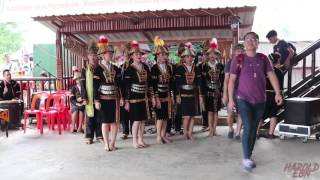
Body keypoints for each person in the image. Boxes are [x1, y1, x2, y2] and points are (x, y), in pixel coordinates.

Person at [228, 32, 283, 172]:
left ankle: (249, 155)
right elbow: (232, 80)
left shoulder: (264, 59)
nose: (251, 41)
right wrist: (230, 100)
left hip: (260, 100)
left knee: (253, 128)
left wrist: (277, 93)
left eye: (254, 39)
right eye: (248, 39)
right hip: (243, 98)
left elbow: (271, 76)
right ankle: (246, 158)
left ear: (258, 43)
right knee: (247, 125)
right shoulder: (239, 59)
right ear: (244, 43)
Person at [124, 40, 152, 149]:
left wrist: (151, 97)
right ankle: (134, 141)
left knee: (143, 120)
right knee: (136, 121)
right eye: (136, 54)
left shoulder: (145, 67)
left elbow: (149, 83)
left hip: (144, 98)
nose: (138, 55)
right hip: (133, 98)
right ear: (132, 56)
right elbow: (126, 86)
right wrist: (126, 101)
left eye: (140, 54)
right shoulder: (129, 69)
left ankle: (141, 139)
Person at [96, 36, 122, 151]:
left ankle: (113, 143)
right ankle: (106, 144)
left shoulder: (115, 68)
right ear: (102, 54)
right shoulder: (97, 69)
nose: (110, 55)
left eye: (111, 54)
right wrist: (96, 100)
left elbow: (119, 84)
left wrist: (121, 98)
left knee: (115, 122)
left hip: (114, 99)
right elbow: (95, 86)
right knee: (105, 123)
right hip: (103, 99)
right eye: (108, 53)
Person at [175, 42, 203, 140]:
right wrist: (177, 95)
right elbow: (177, 84)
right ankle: (185, 133)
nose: (189, 59)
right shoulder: (179, 69)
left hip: (194, 94)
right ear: (184, 58)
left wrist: (200, 95)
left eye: (191, 57)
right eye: (187, 57)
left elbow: (199, 82)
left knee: (192, 115)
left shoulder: (197, 68)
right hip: (183, 95)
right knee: (186, 116)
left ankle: (190, 133)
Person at [151, 36, 174, 144]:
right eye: (162, 55)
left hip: (167, 94)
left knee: (166, 117)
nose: (164, 56)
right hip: (159, 95)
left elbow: (171, 83)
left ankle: (163, 135)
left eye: (165, 54)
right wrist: (156, 98)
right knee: (160, 117)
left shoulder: (169, 67)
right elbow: (153, 84)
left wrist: (172, 95)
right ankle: (158, 136)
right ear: (157, 56)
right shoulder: (154, 68)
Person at [200, 38, 224, 137]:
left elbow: (222, 80)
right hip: (208, 92)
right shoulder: (204, 67)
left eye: (214, 54)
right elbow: (202, 81)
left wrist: (222, 92)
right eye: (210, 54)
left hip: (218, 91)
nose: (212, 56)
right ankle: (210, 130)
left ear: (217, 55)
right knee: (210, 112)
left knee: (216, 112)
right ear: (208, 55)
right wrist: (202, 94)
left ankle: (215, 130)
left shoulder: (221, 66)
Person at [257, 53, 284, 139]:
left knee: (261, 115)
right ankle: (270, 133)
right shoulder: (280, 72)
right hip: (275, 95)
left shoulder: (264, 70)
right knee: (273, 114)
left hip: (264, 94)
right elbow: (281, 86)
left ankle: (255, 133)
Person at [80, 42, 103, 145]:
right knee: (90, 117)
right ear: (88, 56)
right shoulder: (84, 70)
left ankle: (99, 135)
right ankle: (89, 136)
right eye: (91, 55)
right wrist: (84, 98)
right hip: (89, 97)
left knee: (99, 117)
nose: (93, 57)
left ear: (97, 56)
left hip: (99, 96)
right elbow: (83, 84)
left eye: (95, 55)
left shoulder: (101, 69)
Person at [222, 43, 245, 139]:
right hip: (231, 90)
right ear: (234, 53)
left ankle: (238, 132)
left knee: (241, 112)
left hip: (243, 91)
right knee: (230, 112)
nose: (240, 53)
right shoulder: (230, 63)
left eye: (241, 51)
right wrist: (225, 94)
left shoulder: (246, 62)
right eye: (238, 51)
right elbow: (226, 80)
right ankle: (231, 128)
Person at [119, 43, 133, 140]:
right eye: (124, 53)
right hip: (124, 91)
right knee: (124, 113)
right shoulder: (121, 67)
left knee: (133, 112)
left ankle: (133, 130)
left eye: (128, 53)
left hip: (133, 91)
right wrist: (121, 96)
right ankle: (125, 131)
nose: (126, 55)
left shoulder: (134, 66)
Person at [70, 69, 85, 133]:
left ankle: (80, 127)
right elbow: (71, 99)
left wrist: (83, 101)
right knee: (75, 110)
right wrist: (76, 103)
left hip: (82, 103)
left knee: (81, 109)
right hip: (75, 103)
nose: (78, 80)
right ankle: (73, 126)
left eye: (79, 79)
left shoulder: (84, 87)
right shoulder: (74, 88)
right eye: (77, 79)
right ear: (75, 81)